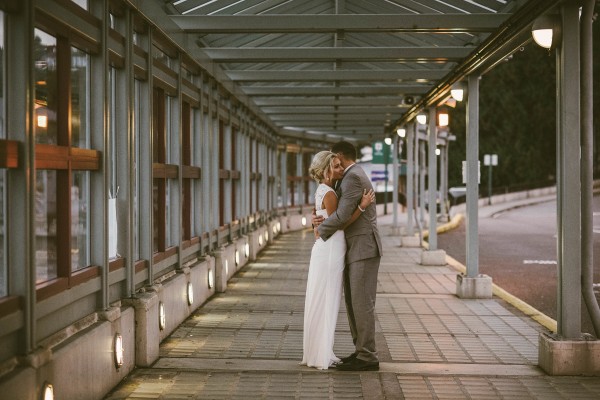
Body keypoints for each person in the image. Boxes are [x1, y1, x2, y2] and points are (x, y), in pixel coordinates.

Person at [301, 151, 375, 370]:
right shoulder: (331, 193)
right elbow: (339, 222)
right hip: (331, 249)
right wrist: (362, 206)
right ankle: (323, 353)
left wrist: (316, 226)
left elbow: (324, 221)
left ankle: (320, 351)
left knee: (325, 299)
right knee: (328, 301)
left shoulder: (326, 190)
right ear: (326, 170)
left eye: (340, 165)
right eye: (336, 166)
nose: (341, 169)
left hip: (329, 248)